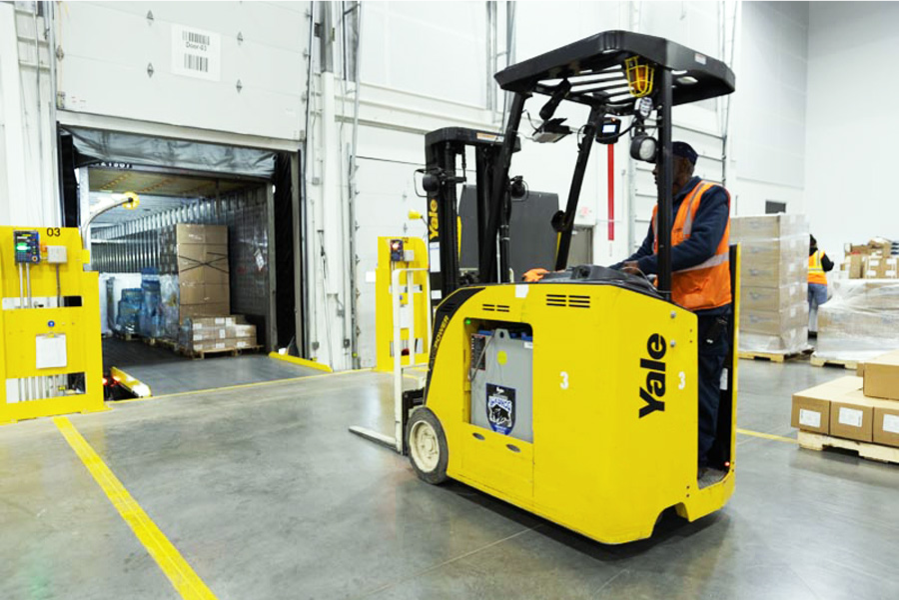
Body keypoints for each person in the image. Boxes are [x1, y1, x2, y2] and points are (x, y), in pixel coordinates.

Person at [612, 142, 731, 472]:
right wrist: (609, 271)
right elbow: (644, 252)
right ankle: (669, 451)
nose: (653, 172)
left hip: (706, 311)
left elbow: (701, 246)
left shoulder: (711, 196)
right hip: (670, 311)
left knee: (700, 390)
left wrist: (645, 265)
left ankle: (696, 462)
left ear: (684, 167)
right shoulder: (659, 209)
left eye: (661, 165)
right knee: (668, 389)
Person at [807, 235, 833, 338]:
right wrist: (832, 263)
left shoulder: (802, 255)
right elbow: (828, 266)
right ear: (815, 243)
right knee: (822, 308)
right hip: (819, 283)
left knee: (806, 309)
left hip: (806, 284)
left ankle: (805, 331)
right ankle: (823, 331)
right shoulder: (820, 254)